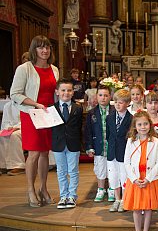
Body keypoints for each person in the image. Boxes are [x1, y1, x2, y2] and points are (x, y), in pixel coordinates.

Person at [10, 35, 59, 207]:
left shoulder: (54, 69)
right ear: (34, 50)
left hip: (48, 114)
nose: (44, 51)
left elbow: (55, 93)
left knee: (45, 153)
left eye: (47, 47)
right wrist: (36, 104)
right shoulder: (25, 69)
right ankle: (30, 189)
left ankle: (43, 189)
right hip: (31, 114)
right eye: (40, 47)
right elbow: (15, 93)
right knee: (34, 153)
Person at [123, 111, 158, 231]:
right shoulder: (131, 141)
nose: (143, 127)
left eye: (145, 124)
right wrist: (134, 178)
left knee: (148, 208)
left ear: (150, 124)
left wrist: (148, 178)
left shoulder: (156, 141)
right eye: (140, 124)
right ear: (135, 126)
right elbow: (126, 162)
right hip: (135, 180)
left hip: (149, 179)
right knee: (136, 208)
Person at [52, 79, 83, 209]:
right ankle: (63, 196)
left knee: (73, 171)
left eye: (69, 90)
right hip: (58, 144)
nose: (66, 93)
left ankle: (72, 196)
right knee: (61, 171)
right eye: (63, 90)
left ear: (73, 92)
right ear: (57, 92)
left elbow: (80, 126)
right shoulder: (51, 108)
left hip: (73, 143)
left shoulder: (77, 108)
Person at [85, 85, 114, 202]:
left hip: (112, 147)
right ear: (97, 96)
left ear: (110, 97)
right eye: (101, 95)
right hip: (99, 146)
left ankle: (112, 188)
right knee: (100, 168)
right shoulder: (91, 113)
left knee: (112, 169)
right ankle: (101, 189)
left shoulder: (114, 110)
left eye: (106, 95)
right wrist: (89, 147)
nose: (103, 98)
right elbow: (88, 131)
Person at [106, 89, 132, 212]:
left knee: (124, 178)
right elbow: (108, 135)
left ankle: (125, 200)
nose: (117, 104)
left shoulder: (131, 119)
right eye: (115, 101)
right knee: (113, 177)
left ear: (127, 103)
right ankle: (117, 199)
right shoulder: (110, 117)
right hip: (112, 152)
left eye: (121, 102)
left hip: (124, 152)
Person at [0, 102, 25, 176]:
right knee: (1, 134)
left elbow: (27, 120)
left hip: (24, 128)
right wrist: (8, 127)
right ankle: (3, 165)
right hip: (11, 128)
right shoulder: (8, 105)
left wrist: (17, 127)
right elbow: (5, 122)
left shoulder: (27, 104)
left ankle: (18, 165)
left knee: (14, 136)